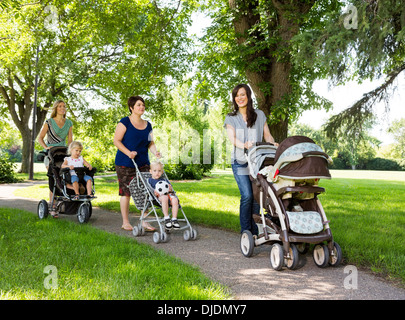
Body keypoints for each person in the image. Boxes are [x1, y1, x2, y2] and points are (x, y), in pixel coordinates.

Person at [224, 84, 278, 235]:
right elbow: (232, 138)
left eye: (242, 94)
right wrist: (244, 145)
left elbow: (267, 135)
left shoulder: (259, 114)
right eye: (237, 95)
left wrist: (272, 143)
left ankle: (255, 232)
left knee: (256, 198)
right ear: (234, 99)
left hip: (257, 162)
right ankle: (246, 231)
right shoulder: (231, 117)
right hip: (240, 161)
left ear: (248, 96)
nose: (240, 98)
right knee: (247, 195)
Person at [114, 96, 161, 231]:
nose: (142, 107)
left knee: (146, 191)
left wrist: (155, 152)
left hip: (143, 163)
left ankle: (145, 221)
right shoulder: (125, 122)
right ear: (131, 107)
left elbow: (150, 142)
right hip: (125, 162)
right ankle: (125, 222)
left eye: (143, 105)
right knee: (126, 192)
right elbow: (116, 141)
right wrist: (128, 152)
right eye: (139, 105)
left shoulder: (148, 124)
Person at [38, 100, 73, 217]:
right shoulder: (49, 122)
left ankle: (61, 203)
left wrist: (71, 153)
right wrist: (46, 148)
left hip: (63, 154)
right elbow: (40, 138)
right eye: (60, 106)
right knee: (54, 176)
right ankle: (52, 205)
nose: (62, 108)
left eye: (64, 106)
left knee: (64, 177)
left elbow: (70, 141)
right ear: (55, 108)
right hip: (51, 155)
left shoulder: (69, 123)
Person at [148, 161, 180, 229]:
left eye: (159, 171)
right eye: (155, 171)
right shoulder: (150, 180)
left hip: (168, 195)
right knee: (165, 197)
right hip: (159, 197)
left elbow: (170, 188)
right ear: (150, 171)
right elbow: (150, 189)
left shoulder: (164, 180)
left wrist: (170, 189)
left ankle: (174, 219)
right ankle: (167, 218)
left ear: (162, 172)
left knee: (175, 200)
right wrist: (154, 192)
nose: (157, 173)